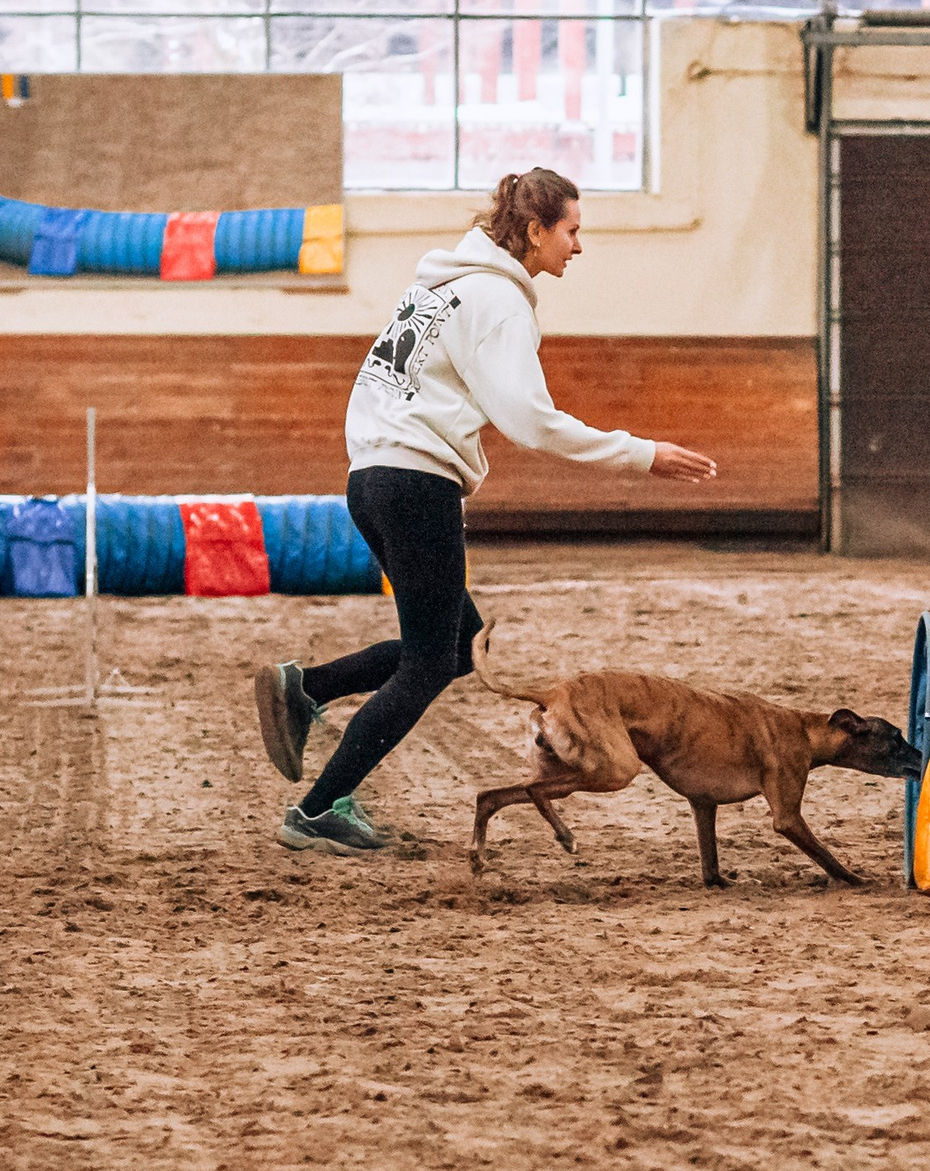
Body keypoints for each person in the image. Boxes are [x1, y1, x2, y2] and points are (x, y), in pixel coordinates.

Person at [254, 168, 718, 854]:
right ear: (534, 230)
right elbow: (532, 422)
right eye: (571, 231)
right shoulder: (499, 303)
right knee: (430, 661)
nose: (578, 247)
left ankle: (310, 688)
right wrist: (640, 453)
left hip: (372, 478)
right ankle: (320, 807)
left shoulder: (437, 287)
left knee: (453, 644)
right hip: (415, 483)